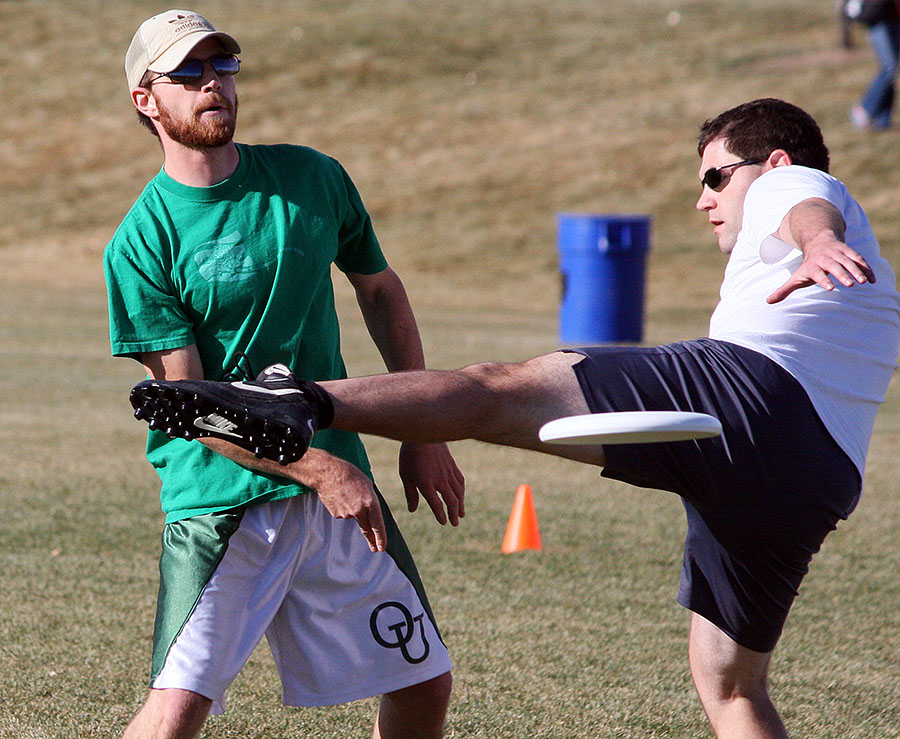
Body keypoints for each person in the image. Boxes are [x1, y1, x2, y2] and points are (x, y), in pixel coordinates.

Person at [131, 98, 900, 737]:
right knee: (731, 685)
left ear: (766, 165)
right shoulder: (860, 275)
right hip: (820, 473)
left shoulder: (790, 184)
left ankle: (299, 400)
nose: (703, 198)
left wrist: (819, 238)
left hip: (747, 394)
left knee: (495, 389)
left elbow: (804, 203)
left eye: (714, 176)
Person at [104, 9, 465, 739]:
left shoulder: (311, 179)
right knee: (176, 713)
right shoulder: (141, 242)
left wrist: (423, 431)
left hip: (337, 493)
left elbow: (381, 290)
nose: (214, 84)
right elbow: (188, 407)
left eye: (223, 67)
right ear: (148, 99)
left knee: (423, 683)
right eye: (190, 73)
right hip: (224, 504)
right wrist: (321, 470)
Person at [846, 0, 900, 129]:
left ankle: (883, 119)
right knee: (889, 66)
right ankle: (864, 109)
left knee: (891, 68)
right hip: (878, 17)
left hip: (895, 17)